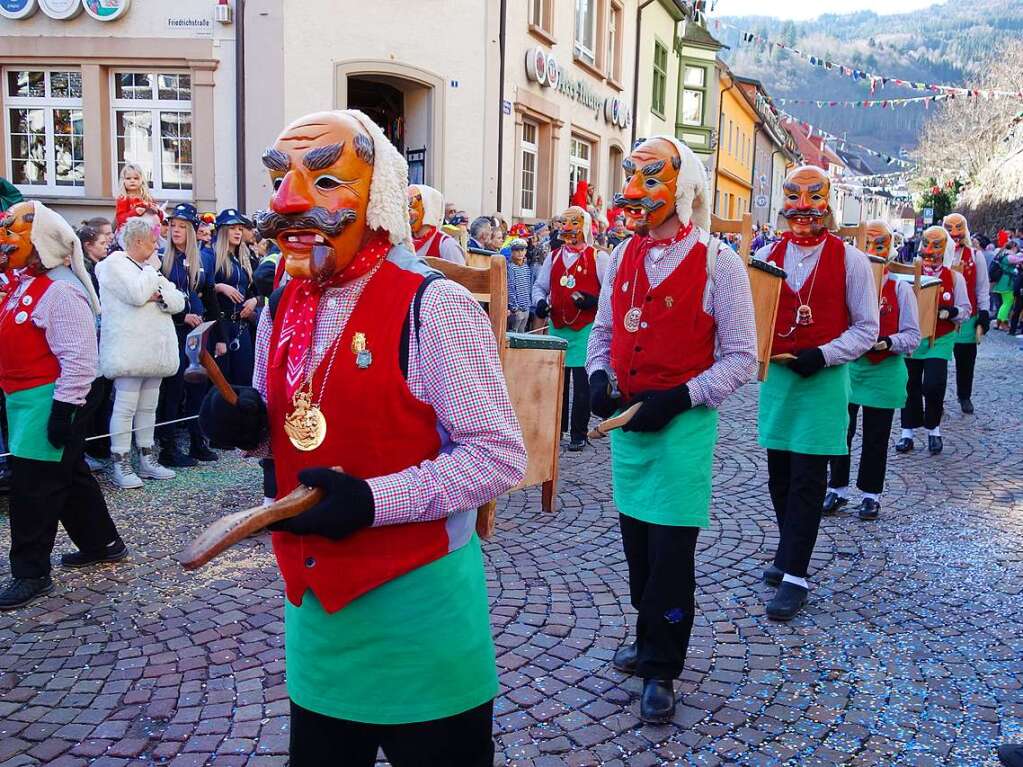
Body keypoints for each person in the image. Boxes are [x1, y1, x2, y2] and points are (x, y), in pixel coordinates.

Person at [202, 109, 526, 766]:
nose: (289, 201)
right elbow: (291, 429)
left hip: (421, 619)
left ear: (375, 196)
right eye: (282, 179)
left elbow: (498, 457)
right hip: (318, 616)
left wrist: (375, 500)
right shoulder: (281, 303)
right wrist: (247, 428)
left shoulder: (434, 306)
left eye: (324, 183)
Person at [588, 136, 757, 723]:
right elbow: (604, 331)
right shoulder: (619, 256)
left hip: (682, 428)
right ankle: (646, 637)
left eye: (651, 178)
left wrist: (684, 395)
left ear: (682, 190)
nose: (636, 190)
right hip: (630, 430)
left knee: (670, 555)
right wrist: (598, 374)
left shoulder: (720, 262)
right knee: (637, 548)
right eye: (633, 175)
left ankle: (663, 667)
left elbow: (742, 356)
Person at [753, 165, 878, 622]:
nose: (803, 210)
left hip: (824, 383)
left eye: (812, 200)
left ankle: (796, 576)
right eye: (794, 200)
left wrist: (824, 354)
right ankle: (789, 553)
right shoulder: (766, 255)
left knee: (808, 479)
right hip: (781, 382)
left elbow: (867, 328)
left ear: (828, 204)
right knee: (779, 478)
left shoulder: (851, 260)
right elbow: (754, 319)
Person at [0, 201, 126, 611]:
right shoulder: (24, 284)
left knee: (34, 487)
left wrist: (62, 410)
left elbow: (80, 359)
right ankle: (102, 543)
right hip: (23, 398)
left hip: (50, 398)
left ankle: (30, 572)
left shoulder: (61, 291)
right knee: (68, 474)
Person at [823, 220, 920, 521]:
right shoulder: (847, 283)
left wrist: (888, 342)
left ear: (889, 249)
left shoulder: (900, 289)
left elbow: (912, 336)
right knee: (841, 431)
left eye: (879, 245)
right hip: (851, 370)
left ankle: (870, 495)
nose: (872, 252)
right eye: (868, 244)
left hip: (884, 372)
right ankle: (837, 488)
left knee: (876, 437)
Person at [96, 217, 186, 489]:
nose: (156, 246)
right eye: (152, 241)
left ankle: (147, 457)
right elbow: (136, 294)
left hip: (154, 350)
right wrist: (151, 280)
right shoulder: (113, 265)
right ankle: (120, 462)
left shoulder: (148, 268)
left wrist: (158, 295)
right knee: (125, 407)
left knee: (148, 406)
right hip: (129, 349)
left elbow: (177, 300)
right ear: (137, 241)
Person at [533, 206, 608, 451]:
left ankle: (578, 432)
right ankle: (558, 430)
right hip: (558, 326)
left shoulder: (598, 258)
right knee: (558, 383)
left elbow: (611, 294)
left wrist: (593, 301)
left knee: (582, 383)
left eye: (573, 225)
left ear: (583, 228)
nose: (567, 231)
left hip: (585, 328)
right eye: (564, 225)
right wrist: (540, 303)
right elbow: (540, 287)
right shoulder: (553, 257)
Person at [896, 226, 971, 457]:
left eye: (936, 245)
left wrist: (951, 312)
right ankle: (907, 433)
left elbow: (966, 309)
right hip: (913, 337)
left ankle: (934, 430)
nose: (929, 250)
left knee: (934, 384)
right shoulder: (910, 274)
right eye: (926, 244)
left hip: (940, 339)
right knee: (910, 385)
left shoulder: (954, 277)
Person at [155, 203, 218, 467]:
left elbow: (211, 296)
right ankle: (167, 448)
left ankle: (197, 441)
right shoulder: (161, 258)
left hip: (198, 333)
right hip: (173, 332)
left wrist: (221, 337)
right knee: (173, 391)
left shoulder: (203, 258)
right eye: (173, 225)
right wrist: (182, 316)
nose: (176, 230)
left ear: (192, 230)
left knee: (197, 387)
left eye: (182, 226)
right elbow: (159, 298)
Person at [206, 209, 259, 386]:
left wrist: (254, 301)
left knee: (244, 380)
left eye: (240, 228)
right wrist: (219, 287)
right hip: (220, 326)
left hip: (242, 326)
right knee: (221, 382)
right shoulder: (210, 257)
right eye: (232, 228)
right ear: (222, 231)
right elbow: (202, 289)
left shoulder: (243, 259)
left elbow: (254, 291)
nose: (238, 232)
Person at [944, 214, 990, 414]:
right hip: (942, 317)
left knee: (966, 360)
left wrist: (985, 312)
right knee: (937, 363)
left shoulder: (975, 256)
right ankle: (935, 397)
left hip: (968, 316)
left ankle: (964, 396)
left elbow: (982, 287)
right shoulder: (936, 255)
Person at [407, 184, 465, 265]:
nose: (407, 211)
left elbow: (461, 276)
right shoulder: (404, 244)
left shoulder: (447, 246)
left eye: (412, 204)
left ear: (428, 208)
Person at [114, 163, 156, 231]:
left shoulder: (147, 197)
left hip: (146, 231)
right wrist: (134, 212)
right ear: (123, 181)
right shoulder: (123, 199)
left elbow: (157, 214)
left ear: (141, 180)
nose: (132, 181)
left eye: (136, 178)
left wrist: (155, 210)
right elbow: (120, 219)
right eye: (128, 178)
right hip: (126, 232)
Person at [992, 242, 1021, 330]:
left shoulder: (1002, 253)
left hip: (1001, 281)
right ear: (1014, 247)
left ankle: (998, 323)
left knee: (1004, 303)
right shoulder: (1010, 256)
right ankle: (1002, 323)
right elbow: (1019, 260)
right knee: (1007, 303)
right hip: (1006, 282)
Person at [507, 238, 532, 333]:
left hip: (526, 307)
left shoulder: (526, 267)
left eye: (522, 250)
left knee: (523, 332)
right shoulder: (510, 267)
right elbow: (511, 288)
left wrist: (528, 304)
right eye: (517, 250)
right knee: (514, 332)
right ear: (512, 251)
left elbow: (528, 287)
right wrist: (514, 308)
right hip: (517, 309)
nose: (520, 253)